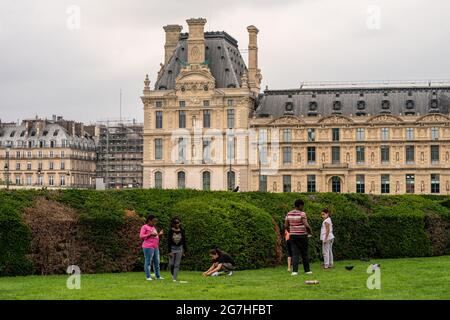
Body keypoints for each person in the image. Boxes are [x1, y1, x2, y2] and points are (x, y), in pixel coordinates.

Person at [284, 199, 313, 276]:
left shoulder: (288, 214)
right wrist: (310, 232)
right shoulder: (302, 214)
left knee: (295, 253)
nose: (303, 207)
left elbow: (286, 225)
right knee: (304, 253)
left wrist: (290, 231)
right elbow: (306, 225)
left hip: (293, 236)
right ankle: (307, 270)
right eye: (302, 206)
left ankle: (295, 271)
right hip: (302, 235)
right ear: (300, 205)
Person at [140, 214, 164, 281]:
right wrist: (150, 234)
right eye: (153, 221)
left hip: (155, 247)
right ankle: (148, 277)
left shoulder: (153, 228)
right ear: (149, 221)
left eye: (155, 221)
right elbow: (141, 236)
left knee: (157, 262)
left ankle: (158, 276)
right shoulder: (144, 227)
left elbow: (155, 237)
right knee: (148, 262)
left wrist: (159, 235)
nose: (154, 223)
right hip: (148, 247)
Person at [167, 217, 187, 282]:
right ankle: (173, 274)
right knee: (171, 264)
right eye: (175, 223)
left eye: (178, 223)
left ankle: (174, 278)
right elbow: (168, 241)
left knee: (177, 264)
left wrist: (185, 250)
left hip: (179, 249)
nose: (177, 224)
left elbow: (184, 241)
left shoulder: (182, 231)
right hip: (172, 249)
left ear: (180, 223)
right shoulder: (170, 231)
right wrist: (169, 251)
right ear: (172, 224)